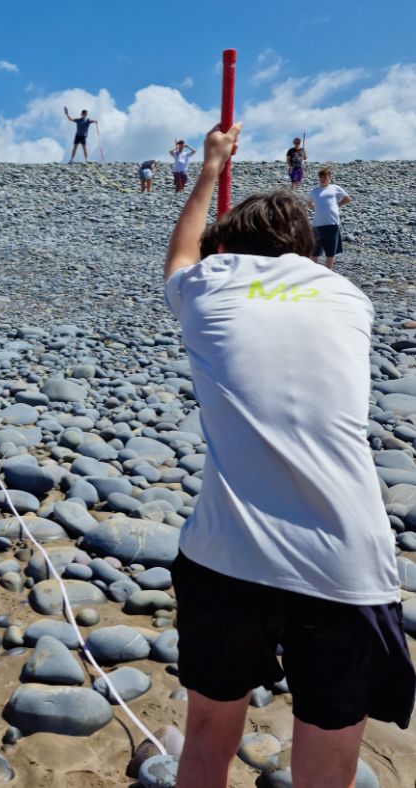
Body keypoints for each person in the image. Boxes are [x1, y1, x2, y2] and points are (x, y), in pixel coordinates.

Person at [164, 123, 414, 788]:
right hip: (349, 564)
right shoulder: (349, 298)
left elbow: (181, 254)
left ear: (226, 247)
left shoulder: (207, 286)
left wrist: (212, 166)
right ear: (304, 250)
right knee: (328, 771)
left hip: (228, 558)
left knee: (208, 737)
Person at [307, 166, 350, 270]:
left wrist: (338, 205)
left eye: (324, 177)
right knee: (315, 251)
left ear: (329, 177)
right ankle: (313, 272)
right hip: (317, 224)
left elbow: (347, 198)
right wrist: (313, 206)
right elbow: (308, 202)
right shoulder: (315, 191)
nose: (322, 179)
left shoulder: (335, 188)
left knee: (330, 252)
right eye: (320, 177)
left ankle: (328, 272)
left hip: (332, 223)